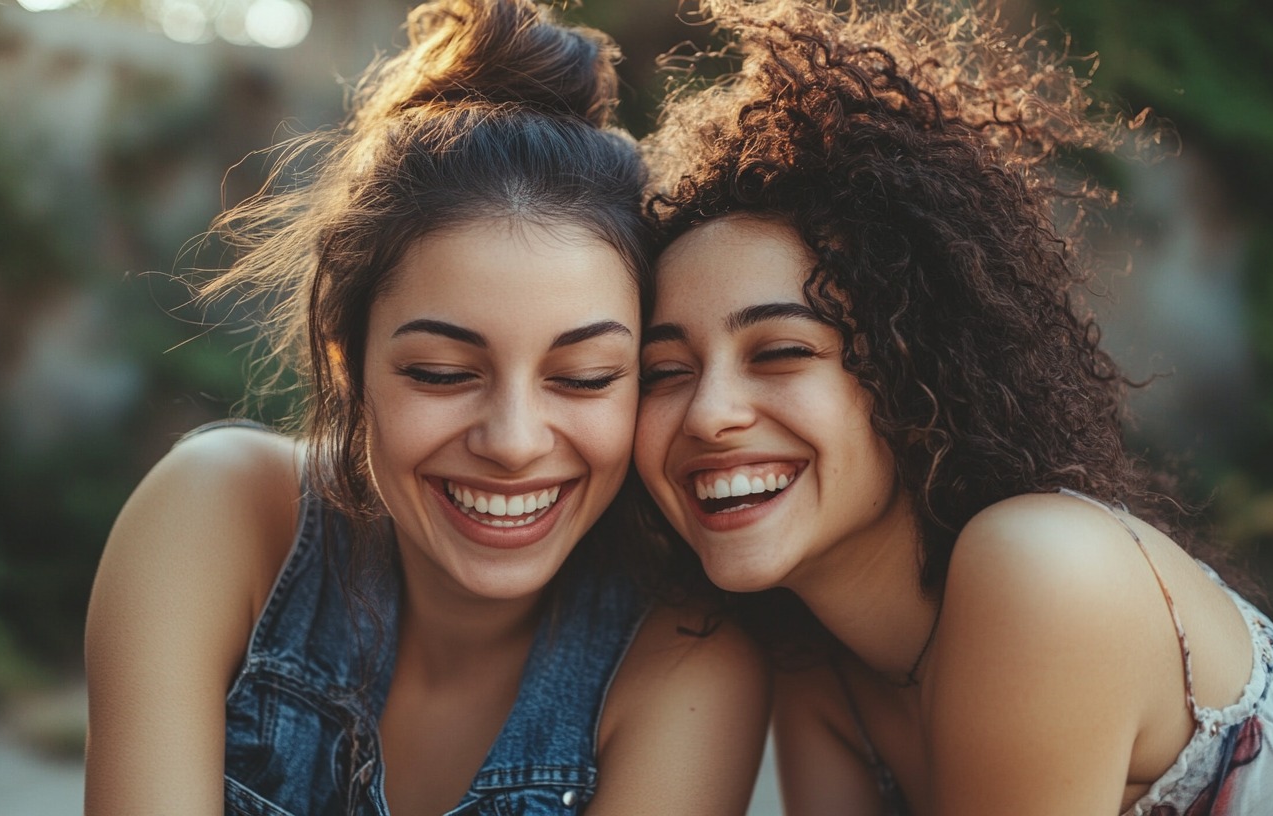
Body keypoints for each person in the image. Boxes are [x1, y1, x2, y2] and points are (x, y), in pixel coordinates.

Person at [635, 1, 1273, 813]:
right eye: (665, 371)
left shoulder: (1043, 567)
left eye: (780, 352)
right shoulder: (823, 671)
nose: (707, 414)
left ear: (919, 366)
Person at [84, 1, 769, 813]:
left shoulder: (689, 662)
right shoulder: (216, 515)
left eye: (585, 377)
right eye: (443, 373)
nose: (514, 443)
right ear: (347, 363)